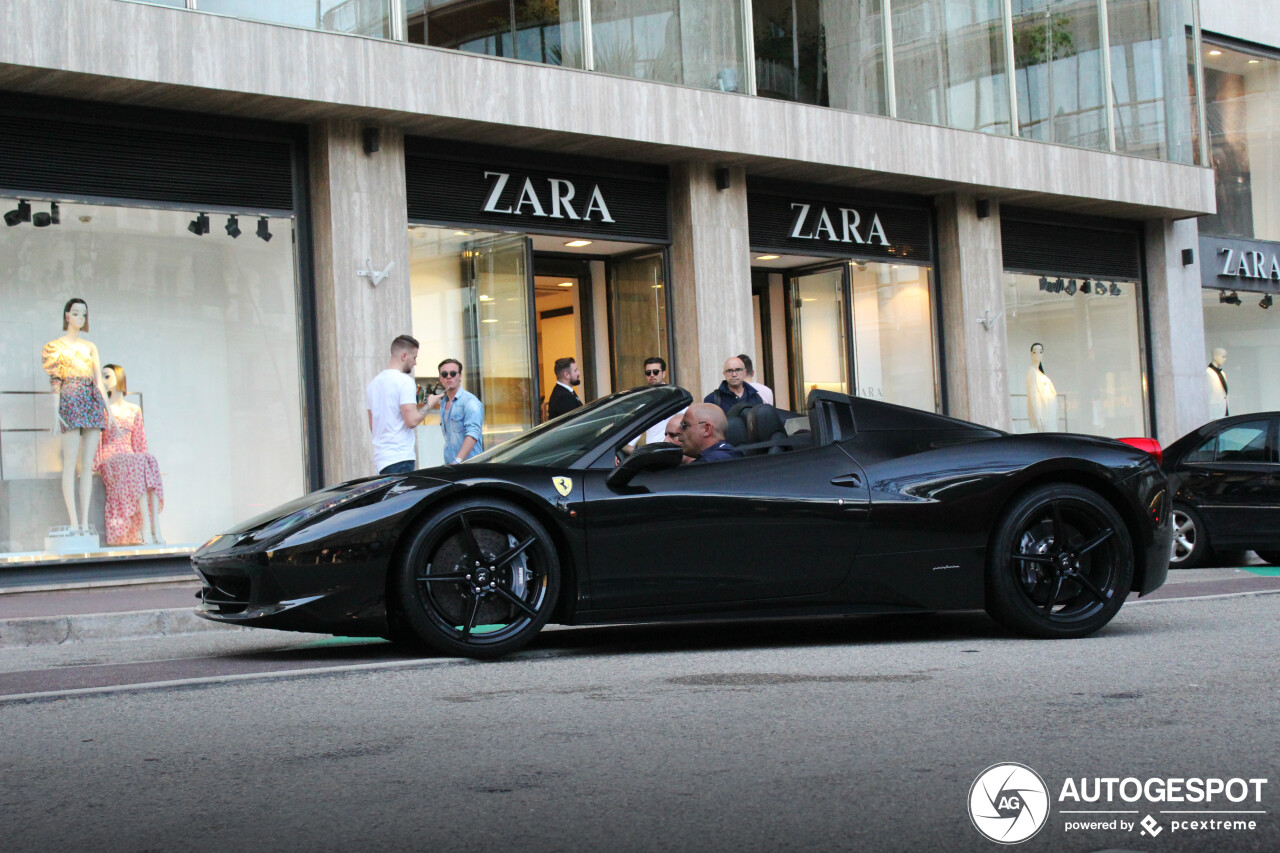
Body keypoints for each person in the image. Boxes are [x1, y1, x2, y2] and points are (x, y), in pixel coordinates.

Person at [42, 297, 112, 533]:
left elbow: (99, 382)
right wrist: (55, 413)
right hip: (70, 400)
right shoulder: (55, 347)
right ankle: (73, 523)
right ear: (67, 315)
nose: (80, 318)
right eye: (76, 313)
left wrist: (108, 410)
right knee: (70, 465)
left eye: (84, 314)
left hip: (91, 401)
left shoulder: (90, 346)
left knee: (86, 465)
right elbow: (55, 381)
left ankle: (84, 523)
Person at [94, 363, 164, 545]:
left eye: (107, 376)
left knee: (149, 459)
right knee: (137, 461)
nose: (104, 380)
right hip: (111, 457)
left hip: (130, 457)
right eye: (102, 376)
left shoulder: (134, 409)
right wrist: (94, 464)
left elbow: (140, 442)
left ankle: (155, 527)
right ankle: (146, 529)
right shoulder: (102, 408)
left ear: (119, 377)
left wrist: (144, 464)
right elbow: (97, 441)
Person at [366, 335, 431, 475]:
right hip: (400, 457)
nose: (415, 363)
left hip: (381, 459)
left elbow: (373, 425)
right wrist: (429, 404)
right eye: (414, 358)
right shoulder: (404, 382)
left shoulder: (372, 385)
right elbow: (411, 421)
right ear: (404, 355)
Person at [425, 358, 484, 465]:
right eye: (444, 374)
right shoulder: (443, 403)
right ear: (440, 378)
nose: (448, 376)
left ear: (460, 376)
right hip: (451, 466)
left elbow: (472, 434)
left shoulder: (470, 402)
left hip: (471, 466)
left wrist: (457, 461)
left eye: (453, 373)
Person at [1026, 342, 1058, 433]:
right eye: (1035, 352)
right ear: (1031, 353)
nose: (1038, 355)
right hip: (1044, 417)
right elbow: (1033, 396)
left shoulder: (1040, 374)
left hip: (1049, 415)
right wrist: (1038, 416)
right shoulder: (1032, 372)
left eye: (1040, 352)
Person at [1207, 347, 1229, 419]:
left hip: (1223, 409)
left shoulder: (1222, 373)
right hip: (1214, 411)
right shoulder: (1208, 372)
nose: (1225, 359)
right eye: (1223, 357)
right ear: (1215, 356)